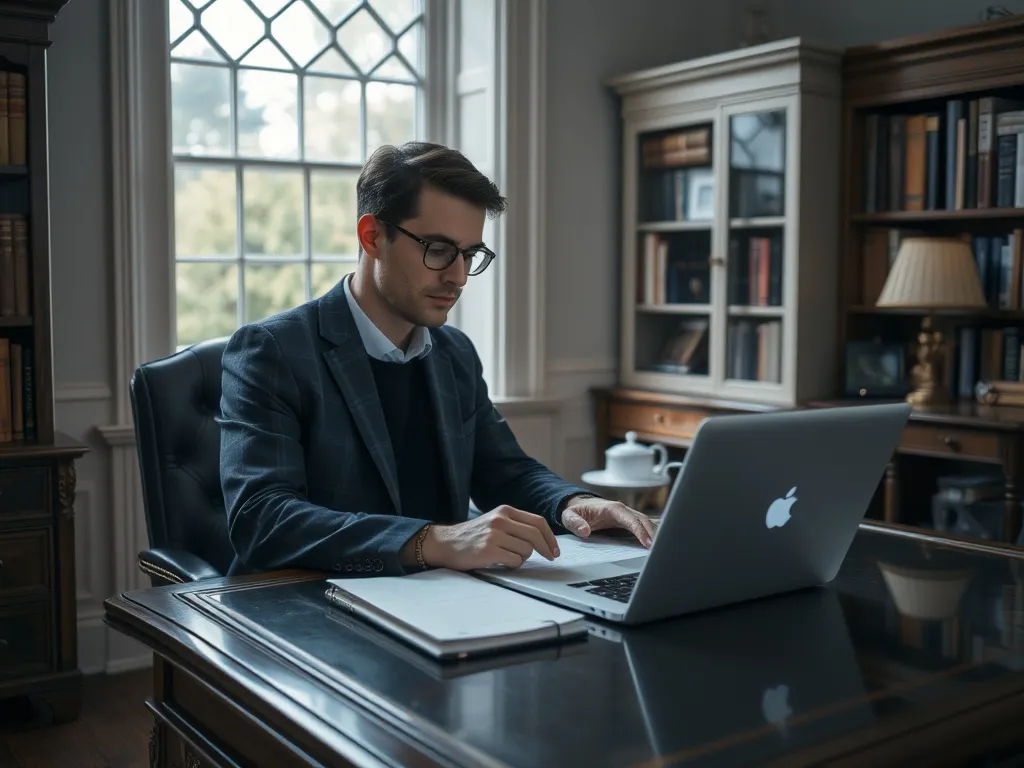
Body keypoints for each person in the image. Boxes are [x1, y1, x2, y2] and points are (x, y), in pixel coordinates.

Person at [218, 141, 656, 578]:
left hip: (438, 601)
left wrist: (575, 505)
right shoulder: (270, 351)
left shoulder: (454, 352)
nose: (458, 276)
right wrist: (435, 542)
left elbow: (504, 471)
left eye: (469, 255)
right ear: (372, 236)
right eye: (439, 249)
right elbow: (263, 519)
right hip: (298, 605)